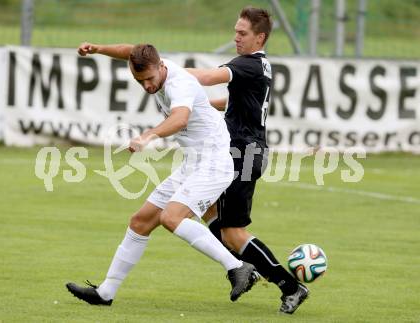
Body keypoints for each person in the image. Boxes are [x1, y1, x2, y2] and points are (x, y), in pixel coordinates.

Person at [66, 42, 259, 305]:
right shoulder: (153, 62)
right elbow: (130, 51)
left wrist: (148, 136)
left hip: (214, 163)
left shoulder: (179, 84)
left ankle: (237, 267)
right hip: (193, 163)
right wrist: (98, 49)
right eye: (139, 80)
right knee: (140, 221)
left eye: (149, 79)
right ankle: (106, 293)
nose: (146, 86)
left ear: (161, 66)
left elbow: (179, 119)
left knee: (171, 218)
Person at [186, 7, 309, 314]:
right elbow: (231, 101)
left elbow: (208, 77)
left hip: (243, 153)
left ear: (260, 37)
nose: (236, 38)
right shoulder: (261, 66)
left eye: (242, 34)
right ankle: (244, 266)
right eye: (235, 32)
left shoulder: (247, 64)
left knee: (233, 232)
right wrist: (199, 108)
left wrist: (166, 70)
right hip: (245, 151)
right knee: (206, 209)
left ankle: (289, 285)